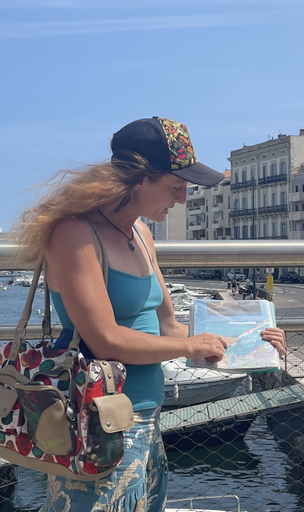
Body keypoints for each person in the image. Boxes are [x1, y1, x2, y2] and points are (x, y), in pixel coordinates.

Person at [15, 117, 288, 512]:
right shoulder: (74, 233)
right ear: (137, 178)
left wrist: (252, 344)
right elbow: (105, 339)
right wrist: (186, 344)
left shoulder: (140, 233)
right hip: (96, 421)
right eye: (176, 186)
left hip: (145, 414)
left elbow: (168, 327)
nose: (181, 198)